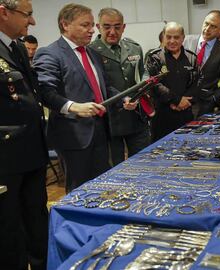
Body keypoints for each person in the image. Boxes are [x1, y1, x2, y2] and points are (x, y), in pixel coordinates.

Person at [33, 3, 135, 192]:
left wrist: (122, 99)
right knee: (79, 190)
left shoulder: (93, 54)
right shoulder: (50, 53)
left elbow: (105, 86)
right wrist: (73, 106)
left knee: (101, 186)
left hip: (101, 131)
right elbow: (44, 91)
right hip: (74, 135)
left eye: (92, 25)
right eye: (85, 25)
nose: (91, 30)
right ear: (65, 25)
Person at [0, 0, 49, 269]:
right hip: (5, 157)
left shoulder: (17, 47)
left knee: (37, 222)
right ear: (3, 12)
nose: (32, 22)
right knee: (10, 230)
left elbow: (31, 93)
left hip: (32, 151)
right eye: (27, 15)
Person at [89, 7, 150, 166]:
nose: (112, 31)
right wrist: (124, 98)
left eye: (117, 27)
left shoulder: (134, 47)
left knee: (142, 162)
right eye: (107, 26)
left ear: (123, 27)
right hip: (110, 120)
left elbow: (143, 72)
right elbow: (101, 85)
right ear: (98, 27)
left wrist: (144, 85)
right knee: (114, 167)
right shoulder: (91, 51)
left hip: (136, 115)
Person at [146, 22, 199, 141]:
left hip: (186, 113)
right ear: (163, 37)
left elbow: (197, 83)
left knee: (188, 150)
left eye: (176, 37)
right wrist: (177, 100)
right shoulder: (154, 57)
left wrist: (185, 102)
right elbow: (154, 84)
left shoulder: (192, 58)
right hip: (162, 116)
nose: (172, 41)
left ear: (183, 38)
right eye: (168, 37)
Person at [183, 10, 220, 117]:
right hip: (180, 101)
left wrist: (214, 98)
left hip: (205, 105)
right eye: (206, 24)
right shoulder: (185, 41)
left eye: (213, 26)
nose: (207, 29)